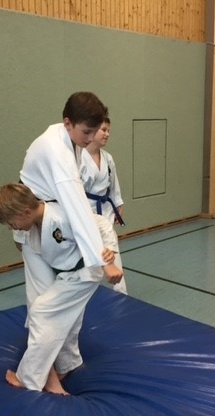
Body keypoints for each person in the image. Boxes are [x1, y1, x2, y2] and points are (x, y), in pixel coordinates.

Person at [0, 183, 123, 395]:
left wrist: (109, 253)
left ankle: (28, 377)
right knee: (63, 317)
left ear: (25, 212)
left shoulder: (62, 216)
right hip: (68, 275)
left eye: (11, 223)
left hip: (83, 275)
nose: (11, 228)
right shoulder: (37, 223)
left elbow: (102, 225)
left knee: (41, 312)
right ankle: (67, 363)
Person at [16, 92, 115, 309]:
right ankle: (39, 331)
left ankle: (62, 333)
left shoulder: (66, 137)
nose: (91, 138)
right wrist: (103, 261)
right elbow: (77, 207)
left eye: (94, 131)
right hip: (30, 220)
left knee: (60, 291)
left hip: (50, 217)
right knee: (43, 296)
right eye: (86, 132)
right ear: (68, 123)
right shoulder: (57, 151)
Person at [80, 116, 127, 294]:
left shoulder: (108, 158)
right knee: (89, 256)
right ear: (92, 131)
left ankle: (121, 293)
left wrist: (118, 204)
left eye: (108, 131)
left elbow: (113, 185)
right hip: (86, 211)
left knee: (112, 250)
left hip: (105, 210)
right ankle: (88, 293)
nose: (107, 134)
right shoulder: (79, 158)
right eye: (103, 130)